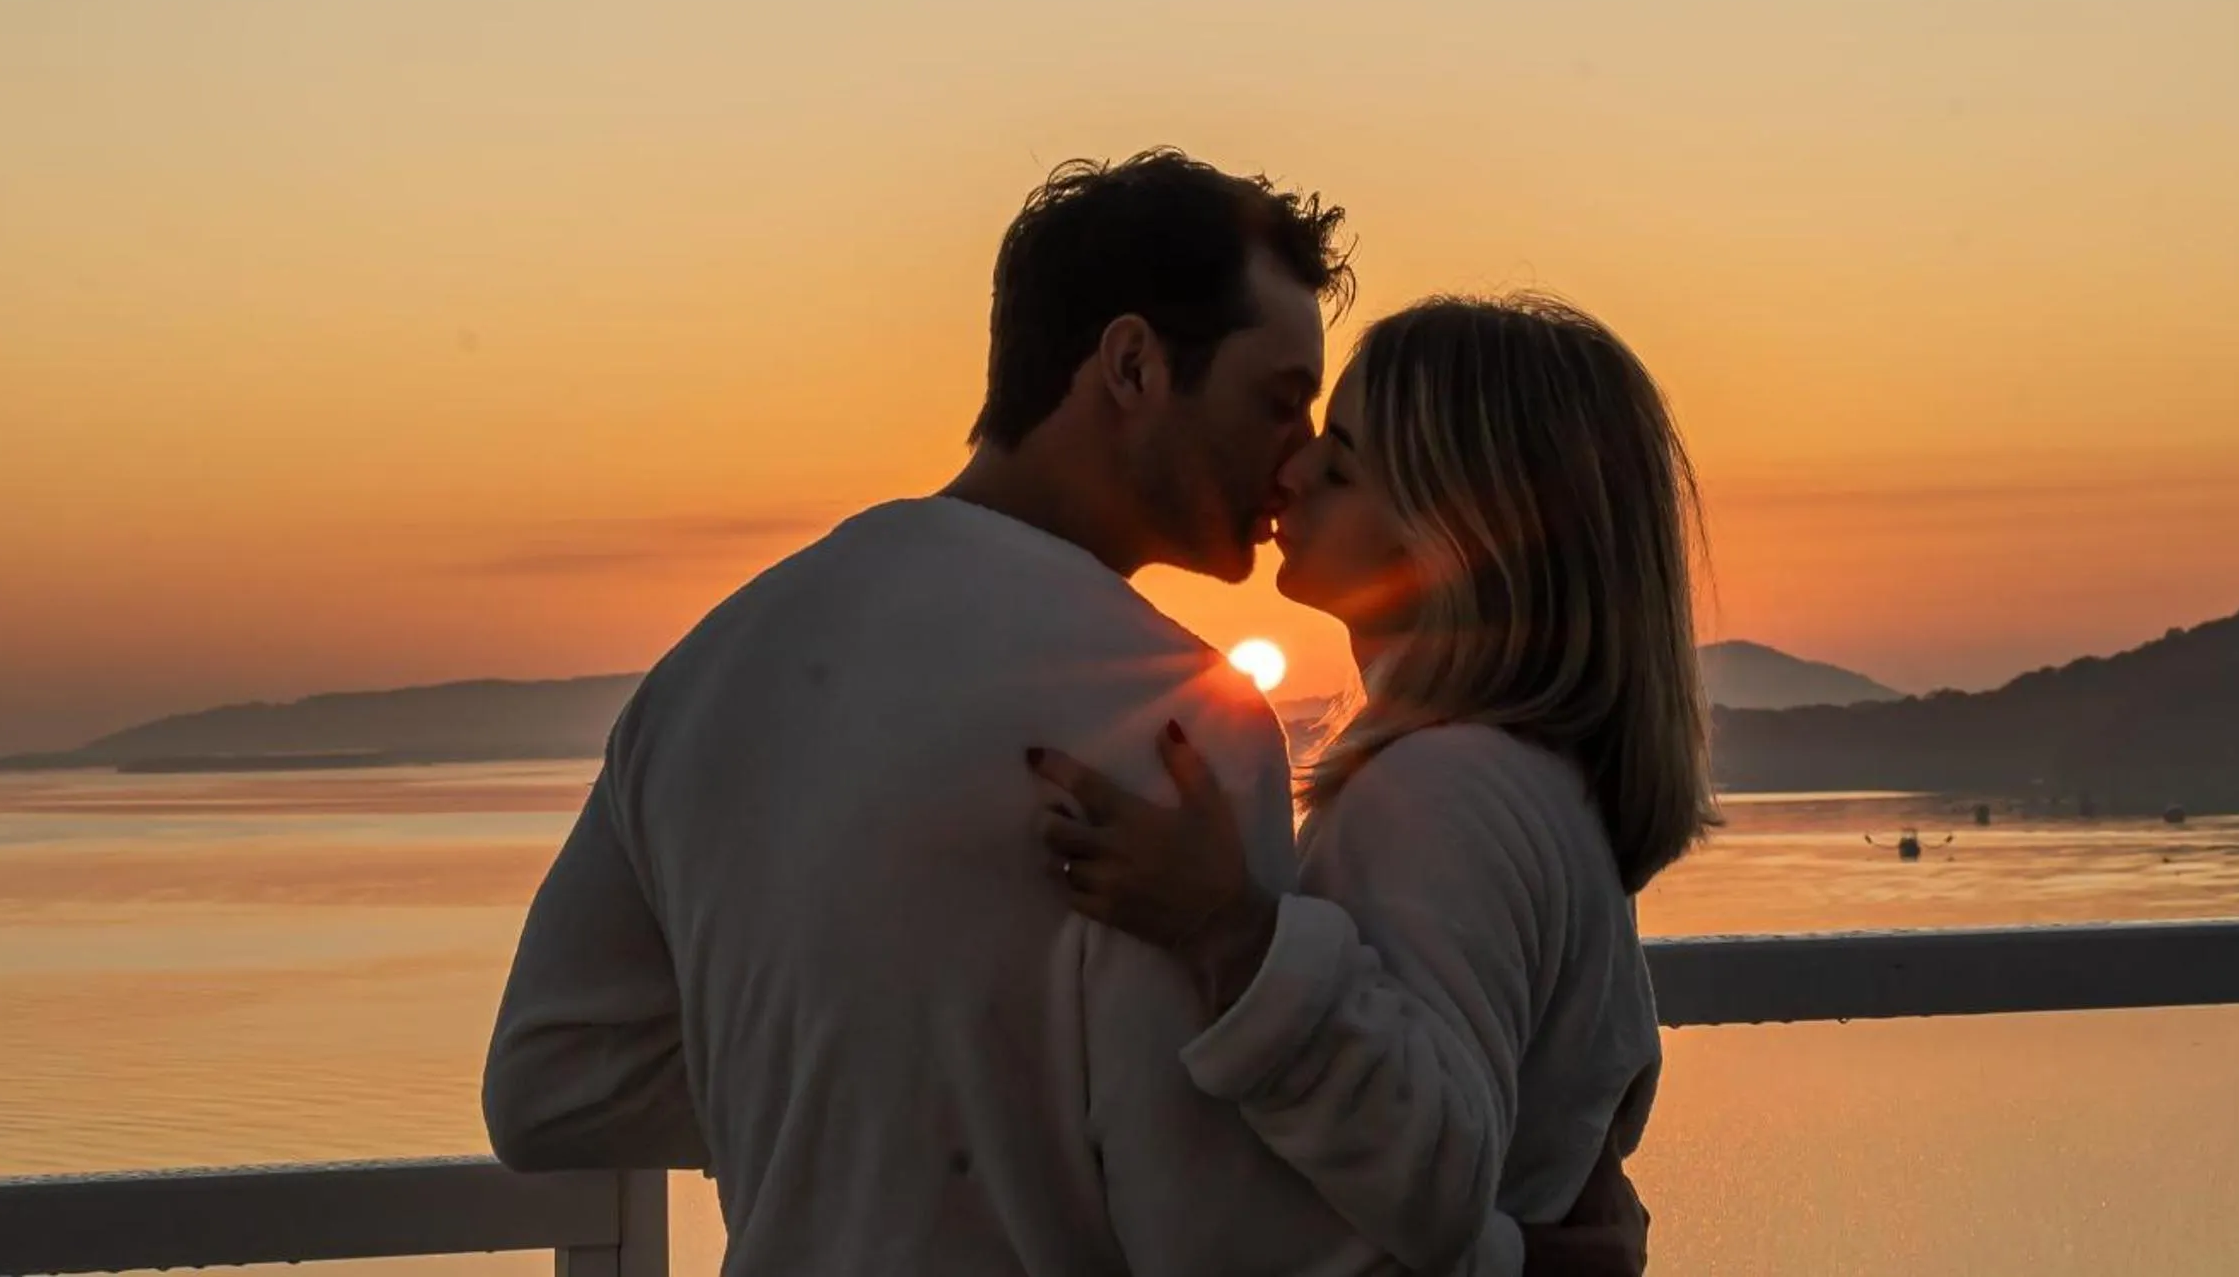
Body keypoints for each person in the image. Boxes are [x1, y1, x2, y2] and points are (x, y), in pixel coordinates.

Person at [482, 153, 1634, 1276]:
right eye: (1279, 404)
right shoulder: (1177, 724)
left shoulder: (703, 678)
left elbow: (549, 1085)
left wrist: (841, 1089)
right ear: (1130, 365)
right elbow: (1217, 1239)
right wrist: (1515, 1258)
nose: (1295, 463)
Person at [1029, 294, 1715, 1277]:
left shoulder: (1442, 790)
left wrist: (1227, 932)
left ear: (1451, 543)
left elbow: (1434, 1174)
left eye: (1341, 465)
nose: (1293, 468)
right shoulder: (1523, 781)